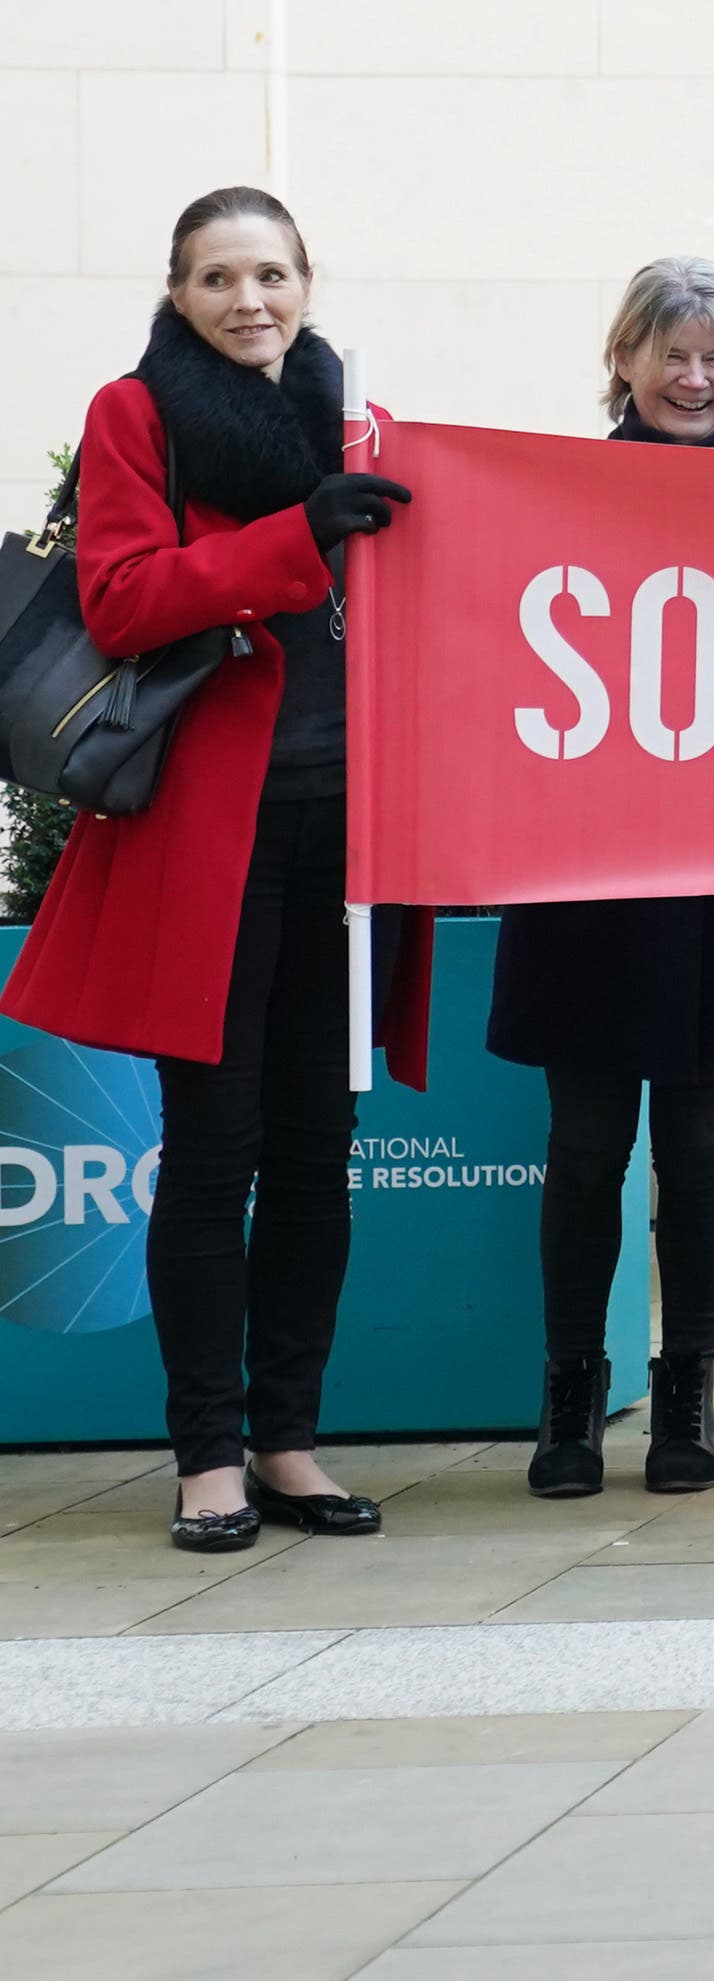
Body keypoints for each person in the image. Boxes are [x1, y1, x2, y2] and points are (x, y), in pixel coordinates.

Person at [3, 187, 415, 1551]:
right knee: (213, 1149)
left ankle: (290, 1440)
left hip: (339, 830)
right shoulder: (136, 412)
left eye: (273, 275)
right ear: (178, 291)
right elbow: (123, 597)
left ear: (309, 281)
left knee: (319, 1148)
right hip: (206, 829)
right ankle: (208, 1458)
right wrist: (299, 538)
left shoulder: (342, 409)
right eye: (220, 278)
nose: (252, 301)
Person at [489, 261, 714, 1499]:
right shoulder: (553, 493)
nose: (692, 379)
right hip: (587, 861)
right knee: (582, 1144)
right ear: (622, 361)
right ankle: (571, 1394)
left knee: (701, 1141)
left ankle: (688, 1388)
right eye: (669, 354)